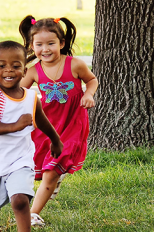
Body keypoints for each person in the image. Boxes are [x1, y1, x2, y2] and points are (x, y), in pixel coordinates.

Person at [0, 41, 63, 232]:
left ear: (24, 70)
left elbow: (43, 121)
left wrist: (55, 141)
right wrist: (17, 125)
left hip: (21, 159)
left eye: (15, 66)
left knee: (20, 201)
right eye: (2, 66)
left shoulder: (31, 97)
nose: (9, 71)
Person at [18, 16, 97, 227]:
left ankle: (32, 213)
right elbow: (19, 93)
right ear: (32, 45)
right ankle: (53, 179)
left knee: (51, 171)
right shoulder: (34, 71)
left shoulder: (75, 65)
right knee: (41, 167)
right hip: (46, 125)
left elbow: (92, 80)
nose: (45, 49)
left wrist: (88, 94)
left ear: (61, 43)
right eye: (39, 44)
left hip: (72, 124)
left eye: (51, 43)